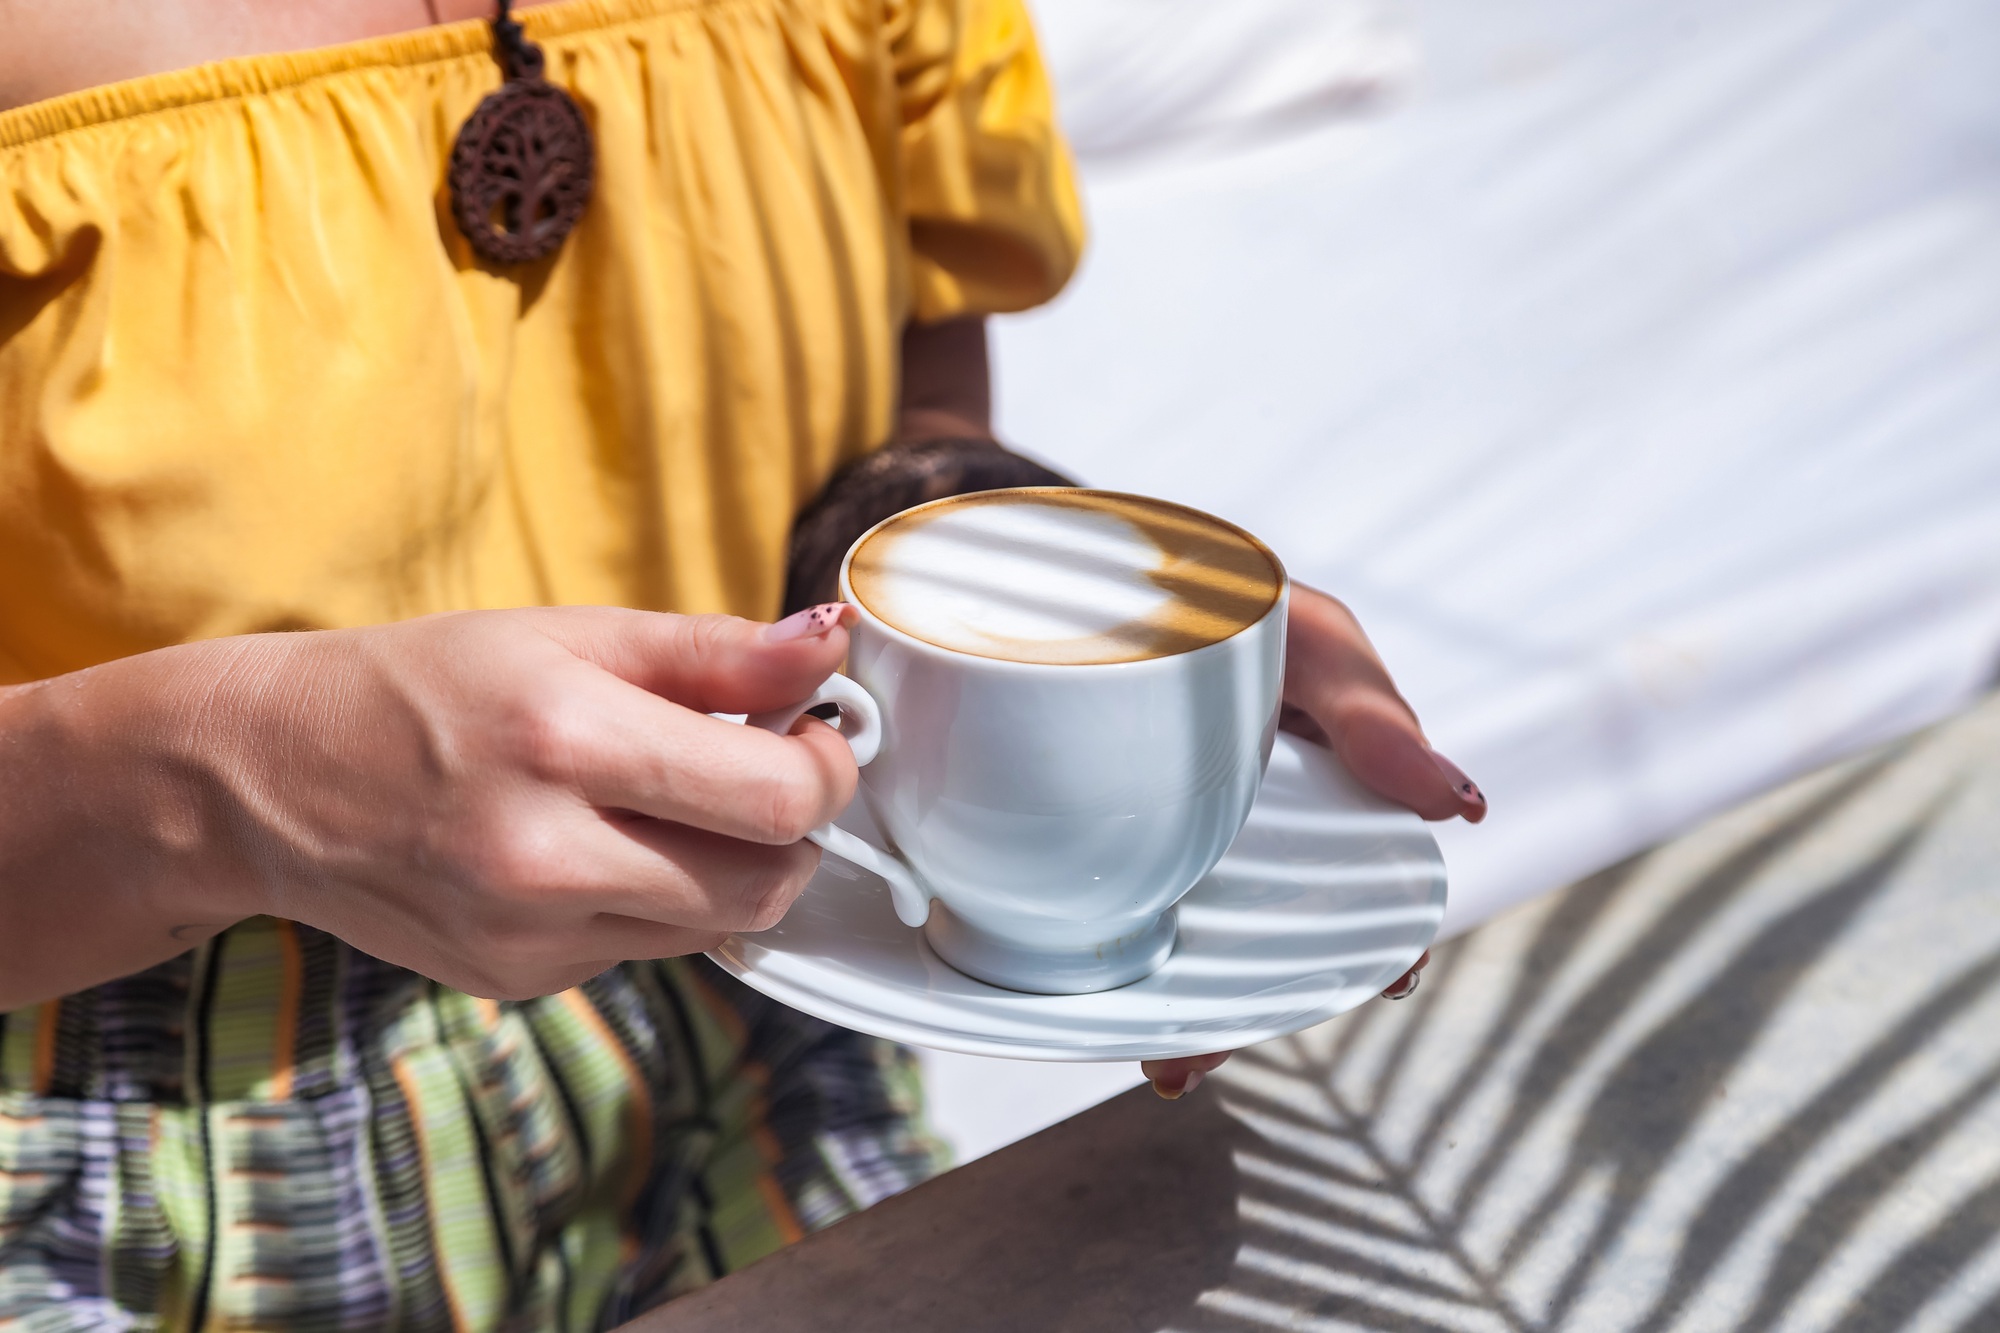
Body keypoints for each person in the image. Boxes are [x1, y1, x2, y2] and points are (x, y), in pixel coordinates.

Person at [0, 0, 1485, 1326]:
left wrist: (1045, 681)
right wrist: (221, 783)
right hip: (111, 1145)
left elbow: (895, 403)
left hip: (756, 1006)